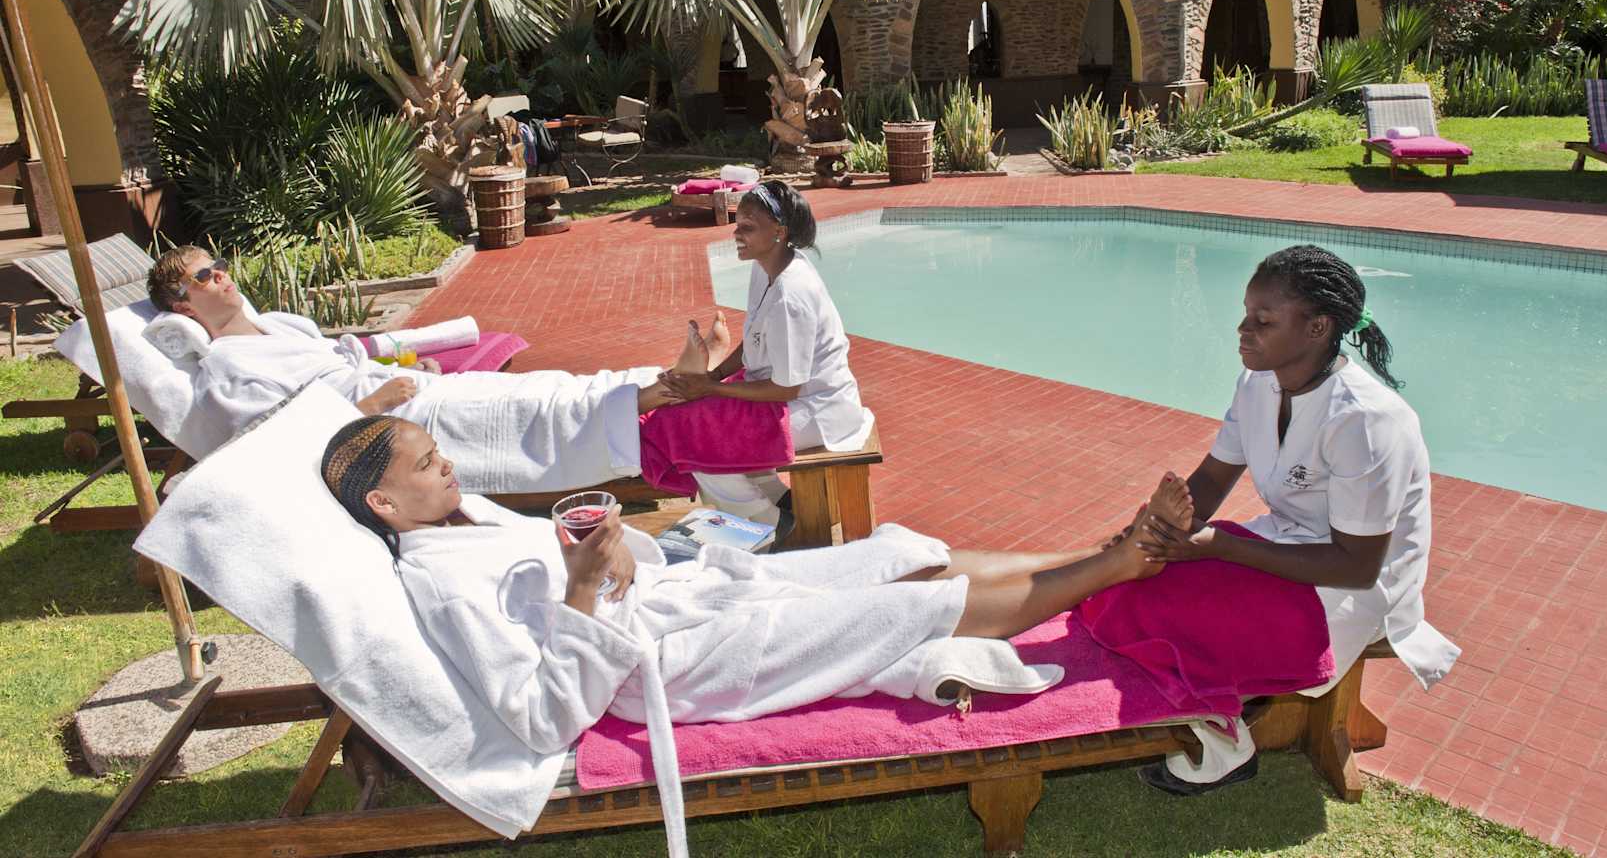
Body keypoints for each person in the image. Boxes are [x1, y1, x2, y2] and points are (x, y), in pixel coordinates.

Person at [320, 413, 1195, 856]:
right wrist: (583, 592)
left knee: (891, 556)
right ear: (385, 503)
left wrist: (614, 556)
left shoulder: (468, 517)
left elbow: (574, 573)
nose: (448, 464)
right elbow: (540, 715)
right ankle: (1120, 566)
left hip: (681, 600)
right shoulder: (439, 584)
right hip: (676, 663)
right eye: (426, 464)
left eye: (438, 450)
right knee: (896, 609)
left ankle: (1099, 551)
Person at [1133, 244, 1460, 796]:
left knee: (1204, 618)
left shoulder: (1364, 421)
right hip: (1288, 544)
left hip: (1358, 583)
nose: (1243, 330)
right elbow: (1212, 478)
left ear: (1317, 328)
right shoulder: (1258, 384)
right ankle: (1213, 711)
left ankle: (1224, 742)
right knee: (1155, 582)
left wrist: (1216, 547)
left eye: (1263, 321)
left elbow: (1356, 566)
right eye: (1245, 314)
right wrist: (1165, 528)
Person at [148, 244, 735, 495]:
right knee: (530, 409)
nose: (219, 275)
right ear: (181, 307)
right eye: (202, 277)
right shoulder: (223, 368)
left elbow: (346, 359)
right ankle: (659, 392)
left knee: (544, 385)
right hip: (387, 422)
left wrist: (397, 368)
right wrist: (370, 407)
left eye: (217, 265)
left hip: (410, 391)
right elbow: (274, 440)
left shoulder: (279, 325)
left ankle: (667, 377)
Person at [663, 181, 867, 526]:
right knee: (693, 418)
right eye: (737, 224)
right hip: (788, 397)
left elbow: (786, 389)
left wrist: (710, 388)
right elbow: (754, 336)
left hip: (815, 409)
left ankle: (769, 524)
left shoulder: (791, 295)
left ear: (779, 232)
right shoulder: (767, 267)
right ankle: (779, 503)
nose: (736, 234)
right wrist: (713, 376)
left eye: (748, 227)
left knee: (698, 442)